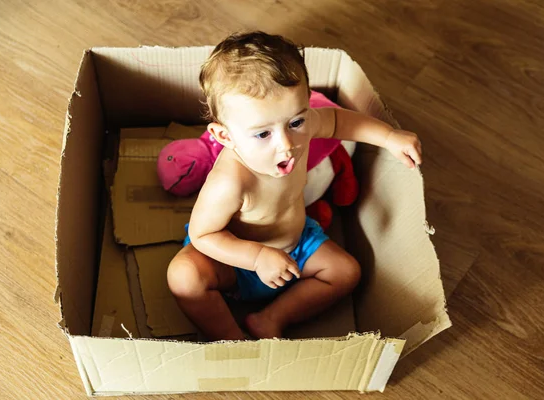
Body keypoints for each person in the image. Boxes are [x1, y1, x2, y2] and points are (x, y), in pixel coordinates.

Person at [167, 31, 422, 341]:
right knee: (183, 277)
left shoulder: (296, 131)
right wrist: (257, 258)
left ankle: (272, 318)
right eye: (263, 135)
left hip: (296, 247)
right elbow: (203, 234)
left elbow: (341, 122)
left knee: (346, 272)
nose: (287, 145)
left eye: (297, 123)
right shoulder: (229, 181)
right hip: (232, 262)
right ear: (225, 137)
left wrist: (388, 137)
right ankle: (231, 338)